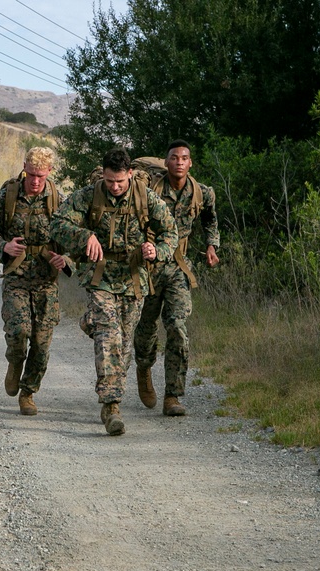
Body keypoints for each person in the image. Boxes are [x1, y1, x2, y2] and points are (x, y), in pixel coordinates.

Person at [50, 147, 177, 435]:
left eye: (120, 181)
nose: (115, 187)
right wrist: (85, 236)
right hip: (101, 277)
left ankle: (89, 321)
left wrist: (156, 250)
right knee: (109, 336)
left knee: (123, 342)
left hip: (133, 278)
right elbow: (57, 224)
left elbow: (171, 232)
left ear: (130, 174)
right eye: (109, 181)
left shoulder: (146, 198)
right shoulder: (88, 195)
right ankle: (111, 406)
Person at [133, 140, 220, 416]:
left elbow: (210, 220)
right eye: (174, 158)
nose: (179, 162)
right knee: (146, 327)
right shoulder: (151, 190)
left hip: (178, 267)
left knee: (177, 328)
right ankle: (144, 369)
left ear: (190, 163)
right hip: (149, 267)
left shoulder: (202, 193)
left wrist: (211, 245)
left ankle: (173, 395)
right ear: (166, 162)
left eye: (184, 158)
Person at [0, 147, 67, 416]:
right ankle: (15, 361)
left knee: (42, 343)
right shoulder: (8, 194)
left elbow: (73, 235)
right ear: (23, 168)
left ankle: (28, 392)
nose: (35, 181)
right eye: (30, 174)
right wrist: (3, 247)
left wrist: (65, 258)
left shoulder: (58, 200)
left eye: (40, 176)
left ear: (49, 172)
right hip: (16, 277)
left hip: (45, 280)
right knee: (18, 331)